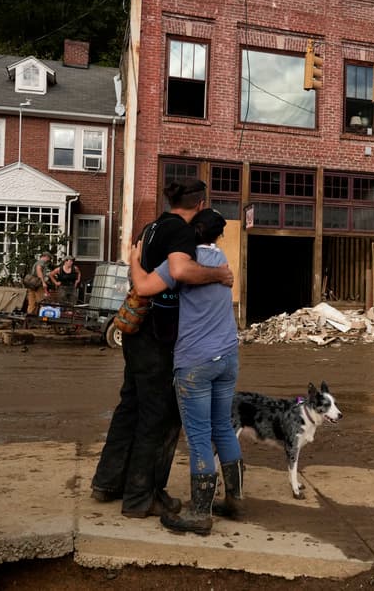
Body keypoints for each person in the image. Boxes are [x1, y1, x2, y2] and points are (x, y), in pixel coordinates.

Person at [90, 179, 233, 519]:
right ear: (199, 206)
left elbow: (138, 266)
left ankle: (108, 482)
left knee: (131, 407)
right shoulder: (181, 232)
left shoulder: (151, 227)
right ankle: (142, 497)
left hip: (137, 334)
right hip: (158, 337)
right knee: (161, 416)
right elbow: (181, 270)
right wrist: (218, 275)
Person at [130, 208, 241, 536]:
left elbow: (144, 288)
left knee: (198, 436)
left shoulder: (181, 265)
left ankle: (200, 512)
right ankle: (235, 499)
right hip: (228, 357)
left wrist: (134, 258)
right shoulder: (223, 263)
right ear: (218, 235)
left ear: (192, 232)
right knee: (222, 426)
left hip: (196, 362)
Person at [25, 251, 52, 316]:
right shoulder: (41, 262)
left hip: (32, 285)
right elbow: (39, 270)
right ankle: (40, 317)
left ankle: (30, 317)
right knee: (40, 301)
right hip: (37, 285)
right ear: (46, 256)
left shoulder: (36, 262)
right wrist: (43, 282)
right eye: (49, 258)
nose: (48, 260)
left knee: (31, 301)